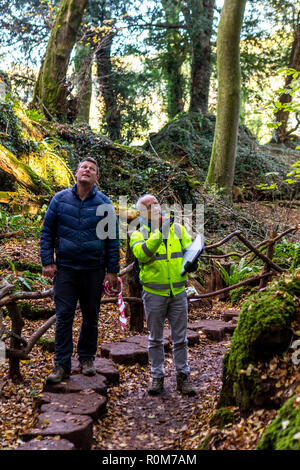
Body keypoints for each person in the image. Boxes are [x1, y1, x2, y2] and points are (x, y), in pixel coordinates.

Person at [40, 157, 120, 384]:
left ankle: (86, 359)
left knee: (91, 317)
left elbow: (112, 239)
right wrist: (48, 261)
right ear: (76, 172)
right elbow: (47, 232)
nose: (87, 170)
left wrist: (112, 271)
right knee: (64, 316)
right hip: (65, 270)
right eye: (84, 167)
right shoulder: (59, 199)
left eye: (92, 169)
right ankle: (61, 365)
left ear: (96, 177)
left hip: (93, 271)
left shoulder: (104, 204)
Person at [130, 194, 197, 396]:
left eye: (156, 203)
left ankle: (183, 376)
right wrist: (160, 232)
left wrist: (194, 261)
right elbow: (142, 254)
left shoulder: (178, 228)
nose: (155, 208)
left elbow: (189, 250)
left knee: (180, 339)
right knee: (155, 339)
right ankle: (157, 377)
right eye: (148, 207)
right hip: (153, 294)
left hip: (177, 292)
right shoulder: (137, 231)